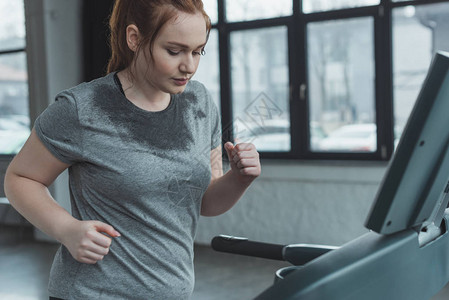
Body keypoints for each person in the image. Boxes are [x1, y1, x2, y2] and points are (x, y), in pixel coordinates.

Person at [4, 0, 261, 299]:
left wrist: (240, 178)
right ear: (134, 38)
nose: (188, 66)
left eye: (197, 51)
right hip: (91, 293)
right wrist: (66, 229)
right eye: (174, 51)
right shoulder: (81, 109)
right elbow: (20, 178)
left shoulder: (200, 104)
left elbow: (204, 202)